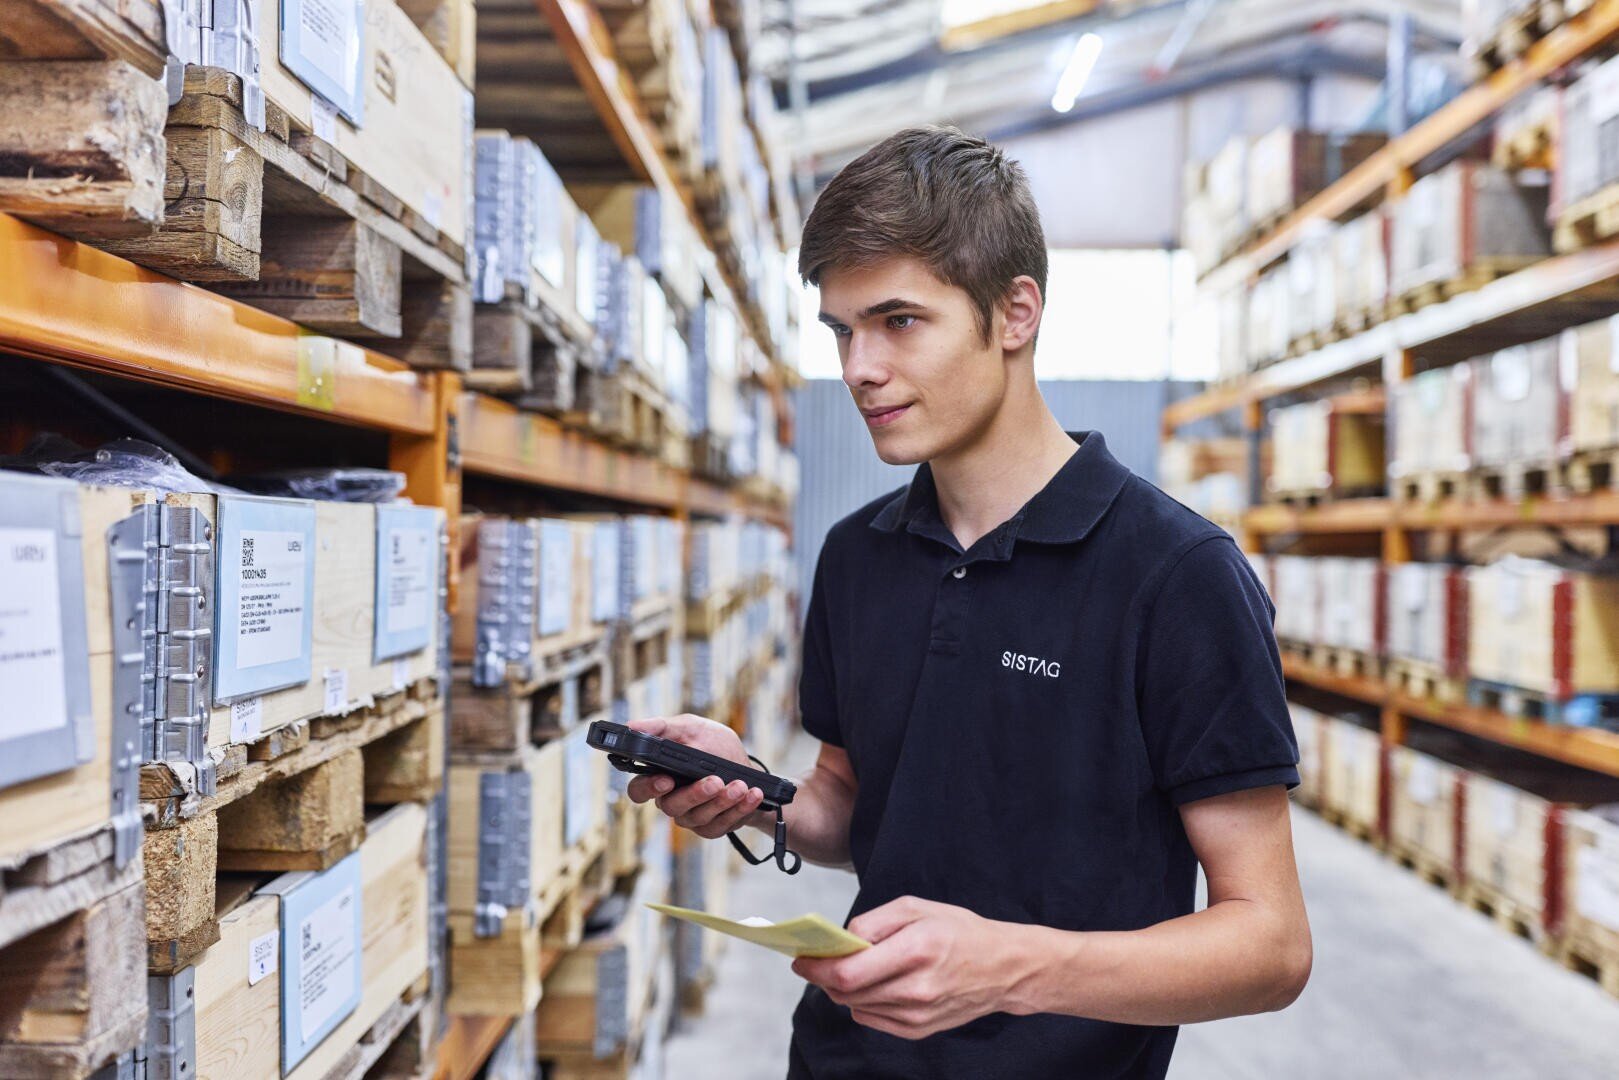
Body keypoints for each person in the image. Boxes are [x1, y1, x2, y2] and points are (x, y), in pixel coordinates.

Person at [626, 125, 1311, 1078]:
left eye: (899, 321)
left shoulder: (1175, 574)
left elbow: (1269, 946)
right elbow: (853, 804)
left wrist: (1012, 969)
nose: (859, 367)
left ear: (1014, 312)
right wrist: (753, 792)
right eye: (840, 330)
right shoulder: (856, 556)